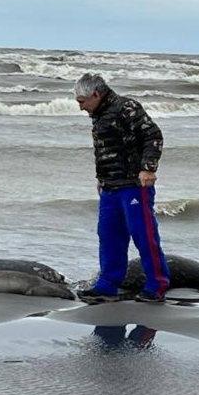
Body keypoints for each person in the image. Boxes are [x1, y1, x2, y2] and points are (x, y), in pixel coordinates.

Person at [74, 73, 170, 303]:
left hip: (134, 185)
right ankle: (107, 285)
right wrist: (102, 178)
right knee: (108, 236)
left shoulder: (126, 107)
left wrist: (148, 168)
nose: (81, 107)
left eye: (82, 101)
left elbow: (153, 135)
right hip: (110, 187)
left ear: (95, 94)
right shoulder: (99, 114)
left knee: (143, 235)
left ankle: (157, 285)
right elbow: (107, 150)